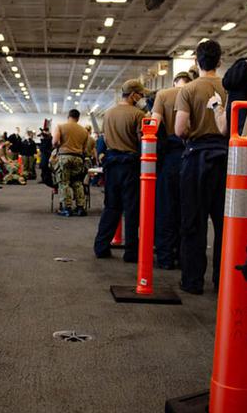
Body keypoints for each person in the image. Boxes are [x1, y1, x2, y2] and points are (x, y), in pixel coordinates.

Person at [175, 40, 227, 295]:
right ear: (219, 61)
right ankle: (222, 280)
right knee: (223, 224)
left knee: (193, 221)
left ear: (196, 61)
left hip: (196, 158)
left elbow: (180, 128)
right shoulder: (230, 88)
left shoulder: (188, 90)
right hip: (226, 158)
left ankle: (192, 280)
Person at [93, 80, 148, 261]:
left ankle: (101, 246)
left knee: (111, 206)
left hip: (111, 163)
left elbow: (103, 139)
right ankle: (131, 252)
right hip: (130, 164)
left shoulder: (108, 114)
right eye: (140, 95)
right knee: (131, 209)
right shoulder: (138, 115)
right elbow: (143, 142)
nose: (142, 98)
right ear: (133, 95)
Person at [150, 71, 191, 269]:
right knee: (188, 211)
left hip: (170, 156)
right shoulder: (197, 93)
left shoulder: (164, 95)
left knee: (166, 208)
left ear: (175, 82)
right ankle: (185, 258)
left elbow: (153, 125)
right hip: (192, 154)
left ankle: (165, 257)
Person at [52, 109, 89, 217]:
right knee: (77, 183)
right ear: (78, 118)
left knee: (64, 183)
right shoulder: (84, 131)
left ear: (68, 116)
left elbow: (54, 142)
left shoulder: (60, 126)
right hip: (78, 158)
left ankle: (67, 208)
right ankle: (80, 207)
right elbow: (85, 149)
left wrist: (58, 146)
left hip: (64, 157)